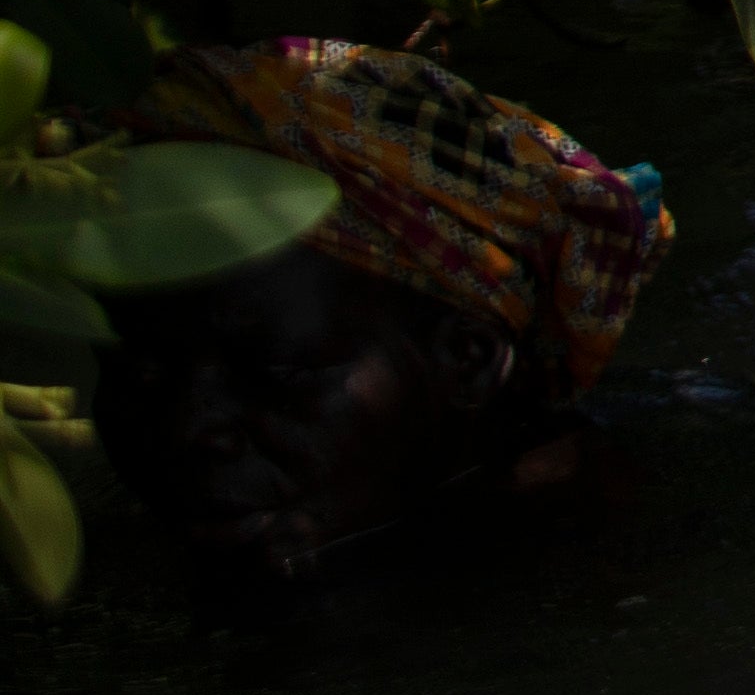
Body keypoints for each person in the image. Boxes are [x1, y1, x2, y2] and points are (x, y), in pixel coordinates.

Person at [88, 39, 671, 580]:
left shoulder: (604, 577)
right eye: (140, 372)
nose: (186, 429)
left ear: (466, 359)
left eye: (277, 373)